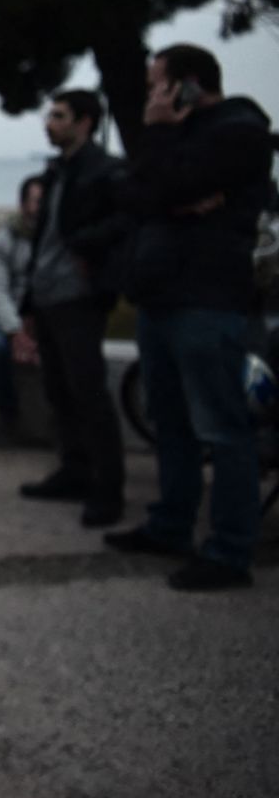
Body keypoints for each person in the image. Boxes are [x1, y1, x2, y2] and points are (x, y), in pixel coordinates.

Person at [104, 44, 272, 591]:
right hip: (161, 298)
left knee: (222, 428)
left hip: (208, 300)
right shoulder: (182, 137)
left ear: (188, 84)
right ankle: (171, 524)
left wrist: (159, 148)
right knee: (170, 424)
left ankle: (229, 550)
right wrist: (171, 191)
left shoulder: (240, 129)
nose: (152, 96)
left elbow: (166, 185)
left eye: (158, 85)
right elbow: (134, 195)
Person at [16, 90, 129, 526]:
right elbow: (43, 239)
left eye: (59, 116)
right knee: (60, 393)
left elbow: (125, 221)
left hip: (79, 298)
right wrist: (29, 301)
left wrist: (87, 246)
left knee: (89, 395)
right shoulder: (59, 170)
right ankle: (74, 472)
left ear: (85, 122)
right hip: (49, 297)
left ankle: (107, 490)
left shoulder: (103, 169)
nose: (49, 122)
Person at [0, 175, 44, 428]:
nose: (41, 206)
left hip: (45, 319)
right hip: (7, 320)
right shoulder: (1, 241)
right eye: (37, 200)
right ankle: (9, 413)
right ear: (23, 203)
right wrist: (15, 330)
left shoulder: (56, 240)